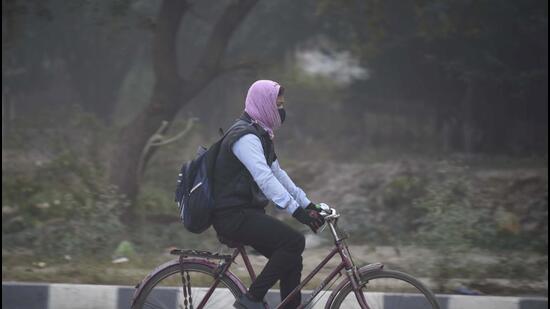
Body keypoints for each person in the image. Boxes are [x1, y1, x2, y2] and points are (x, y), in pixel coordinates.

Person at [212, 80, 325, 309]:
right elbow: (265, 179)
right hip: (232, 216)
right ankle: (251, 300)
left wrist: (308, 204)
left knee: (292, 258)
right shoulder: (245, 137)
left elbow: (279, 175)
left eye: (282, 105)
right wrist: (296, 212)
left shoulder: (261, 134)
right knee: (295, 241)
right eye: (277, 105)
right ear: (263, 105)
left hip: (245, 212)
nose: (281, 111)